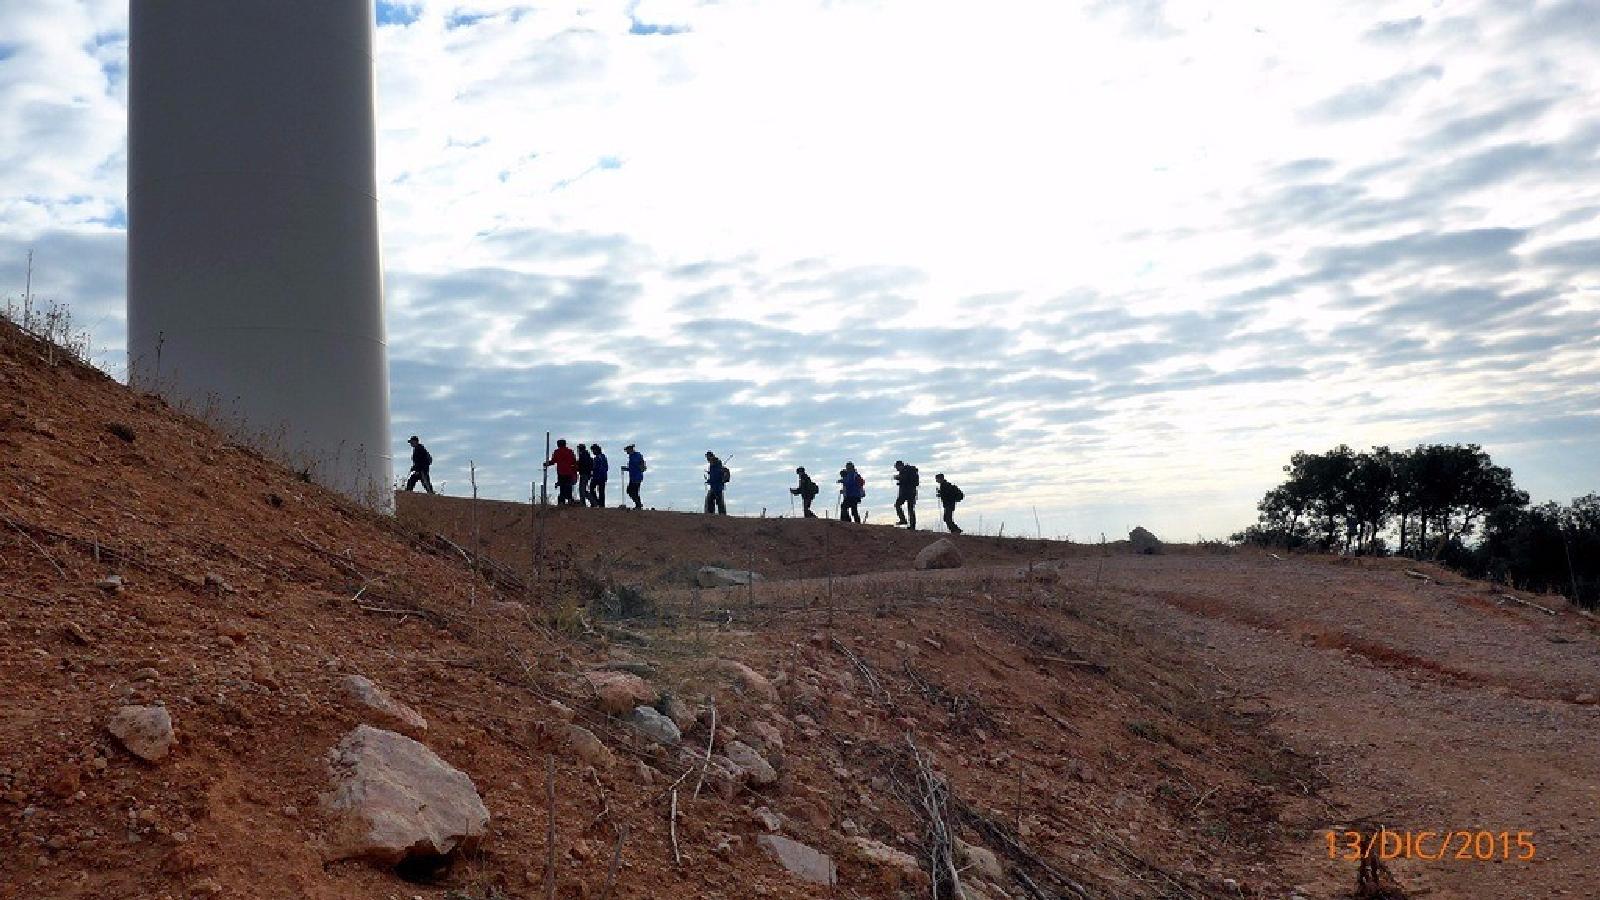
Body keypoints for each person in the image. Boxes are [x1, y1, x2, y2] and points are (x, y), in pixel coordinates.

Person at [543, 438, 579, 506]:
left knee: (562, 487)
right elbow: (574, 461)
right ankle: (569, 500)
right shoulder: (570, 451)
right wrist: (575, 470)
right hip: (569, 472)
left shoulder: (557, 452)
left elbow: (553, 461)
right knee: (568, 486)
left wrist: (547, 463)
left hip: (561, 472)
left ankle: (562, 502)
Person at [893, 460, 920, 529]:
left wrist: (898, 478)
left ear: (900, 466)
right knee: (910, 509)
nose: (896, 469)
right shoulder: (910, 471)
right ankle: (912, 526)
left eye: (897, 467)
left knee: (898, 505)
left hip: (906, 492)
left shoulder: (905, 471)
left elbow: (905, 480)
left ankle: (903, 520)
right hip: (912, 492)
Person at [622, 444, 646, 509]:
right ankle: (638, 504)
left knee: (632, 491)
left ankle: (638, 505)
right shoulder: (633, 456)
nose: (626, 452)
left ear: (630, 450)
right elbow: (633, 467)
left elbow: (638, 466)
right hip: (633, 477)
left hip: (636, 477)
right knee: (632, 491)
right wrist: (626, 468)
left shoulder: (636, 456)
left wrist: (628, 468)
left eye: (627, 450)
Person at [589, 444, 609, 508]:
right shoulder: (602, 457)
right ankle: (600, 504)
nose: (593, 452)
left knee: (593, 489)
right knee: (600, 491)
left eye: (593, 450)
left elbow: (597, 467)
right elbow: (606, 467)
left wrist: (593, 472)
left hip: (598, 476)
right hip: (601, 476)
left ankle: (598, 502)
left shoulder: (599, 458)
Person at [576, 443, 594, 507]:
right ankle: (586, 502)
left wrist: (577, 467)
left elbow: (583, 465)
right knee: (582, 489)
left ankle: (590, 502)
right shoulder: (586, 455)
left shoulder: (583, 455)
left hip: (584, 474)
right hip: (586, 474)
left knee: (582, 490)